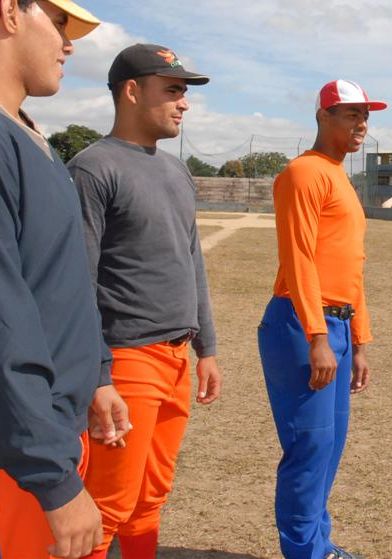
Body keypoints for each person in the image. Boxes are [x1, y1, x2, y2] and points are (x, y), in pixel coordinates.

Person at [67, 43, 222, 559]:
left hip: (177, 356)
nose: (184, 103)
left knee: (151, 498)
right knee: (109, 504)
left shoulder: (175, 171)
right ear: (132, 92)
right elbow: (78, 283)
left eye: (184, 92)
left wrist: (208, 348)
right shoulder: (92, 168)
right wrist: (98, 375)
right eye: (173, 90)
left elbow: (191, 259)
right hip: (128, 358)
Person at [0, 2, 131, 558]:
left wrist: (95, 374)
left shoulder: (30, 136)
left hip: (46, 431)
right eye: (58, 23)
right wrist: (49, 473)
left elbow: (56, 282)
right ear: (9, 12)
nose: (69, 43)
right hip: (18, 454)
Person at [258, 79, 386, 559]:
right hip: (301, 322)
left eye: (365, 115)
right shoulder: (303, 173)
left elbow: (351, 265)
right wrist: (317, 335)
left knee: (328, 449)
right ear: (322, 117)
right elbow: (299, 260)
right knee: (309, 450)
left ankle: (319, 545)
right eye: (350, 114)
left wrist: (360, 341)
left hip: (337, 324)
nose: (362, 124)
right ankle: (305, 553)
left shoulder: (337, 177)